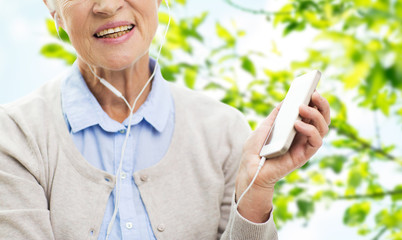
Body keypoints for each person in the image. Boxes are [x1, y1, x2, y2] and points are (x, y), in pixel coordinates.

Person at [0, 0, 331, 239]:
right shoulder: (15, 135)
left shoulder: (224, 130)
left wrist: (257, 188)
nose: (108, 5)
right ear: (52, 8)